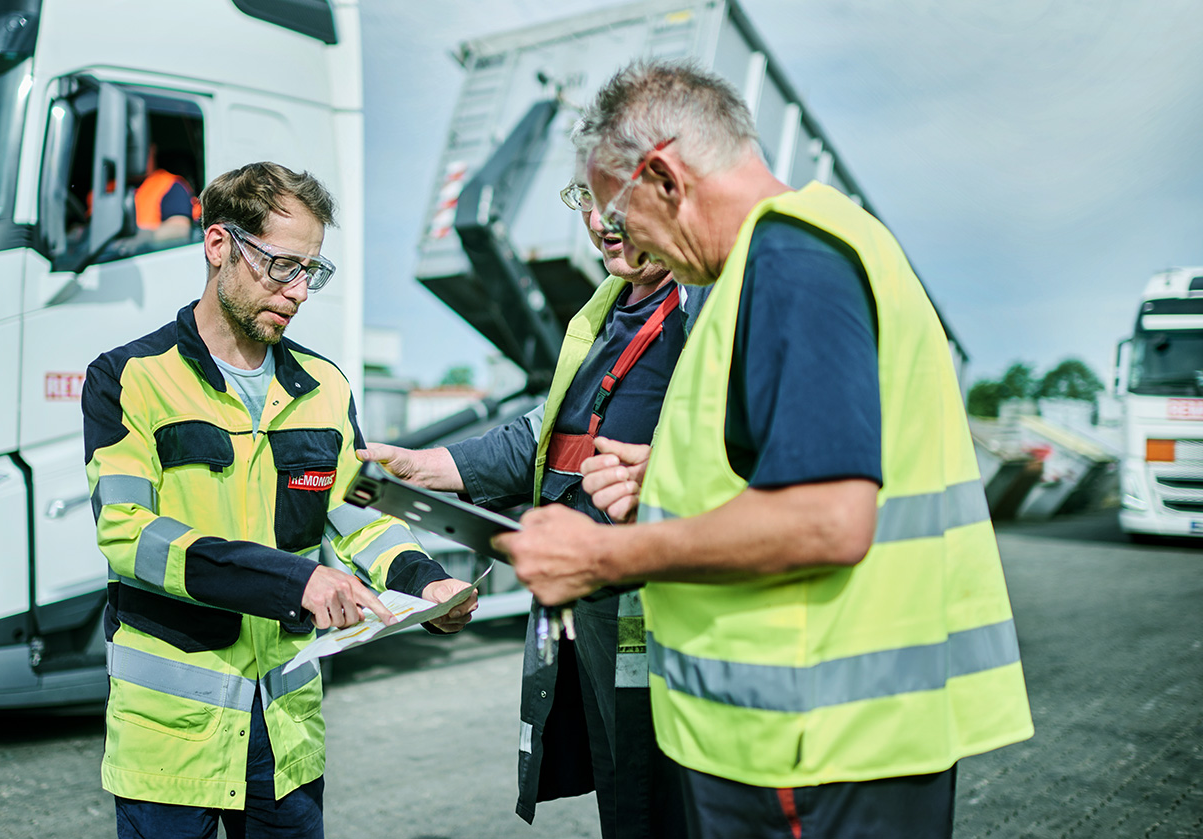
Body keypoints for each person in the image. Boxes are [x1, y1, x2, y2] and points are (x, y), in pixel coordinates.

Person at [494, 60, 1034, 839]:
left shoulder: (789, 263)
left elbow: (828, 521)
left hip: (811, 748)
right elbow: (791, 463)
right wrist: (673, 477)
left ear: (664, 178)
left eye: (616, 208)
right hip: (819, 743)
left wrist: (605, 556)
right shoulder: (786, 256)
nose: (617, 234)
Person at [82, 161, 477, 839]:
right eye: (281, 265)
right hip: (172, 739)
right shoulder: (129, 378)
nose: (297, 290)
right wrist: (295, 579)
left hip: (284, 732)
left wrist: (425, 581)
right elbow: (129, 535)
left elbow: (358, 517)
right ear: (218, 245)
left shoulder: (323, 388)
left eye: (311, 272)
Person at [359, 142, 696, 839]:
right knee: (628, 796)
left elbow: (741, 442)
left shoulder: (706, 309)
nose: (603, 222)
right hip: (597, 607)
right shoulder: (605, 310)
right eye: (586, 202)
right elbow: (543, 437)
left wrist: (661, 471)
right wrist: (422, 467)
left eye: (618, 203)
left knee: (675, 797)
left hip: (662, 606)